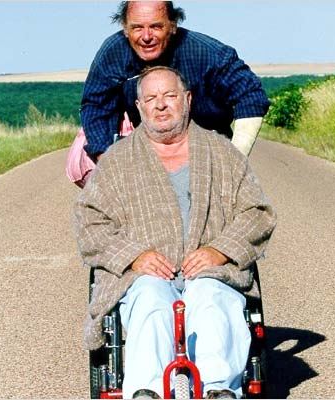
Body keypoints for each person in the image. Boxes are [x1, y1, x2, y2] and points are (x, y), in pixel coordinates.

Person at [75, 66, 276, 399]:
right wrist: (134, 256)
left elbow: (257, 213)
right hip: (142, 276)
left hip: (212, 272)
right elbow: (89, 222)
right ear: (139, 107)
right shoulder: (116, 161)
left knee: (211, 300)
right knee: (151, 302)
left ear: (188, 99)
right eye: (151, 98)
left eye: (169, 95)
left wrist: (220, 250)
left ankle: (218, 390)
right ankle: (146, 391)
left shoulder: (222, 153)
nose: (160, 105)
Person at [81, 1, 270, 163]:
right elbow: (95, 105)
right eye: (137, 28)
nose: (146, 37)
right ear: (125, 28)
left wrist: (234, 162)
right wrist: (106, 160)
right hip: (146, 147)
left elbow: (250, 96)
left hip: (207, 145)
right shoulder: (113, 53)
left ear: (172, 25)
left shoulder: (208, 54)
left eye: (156, 27)